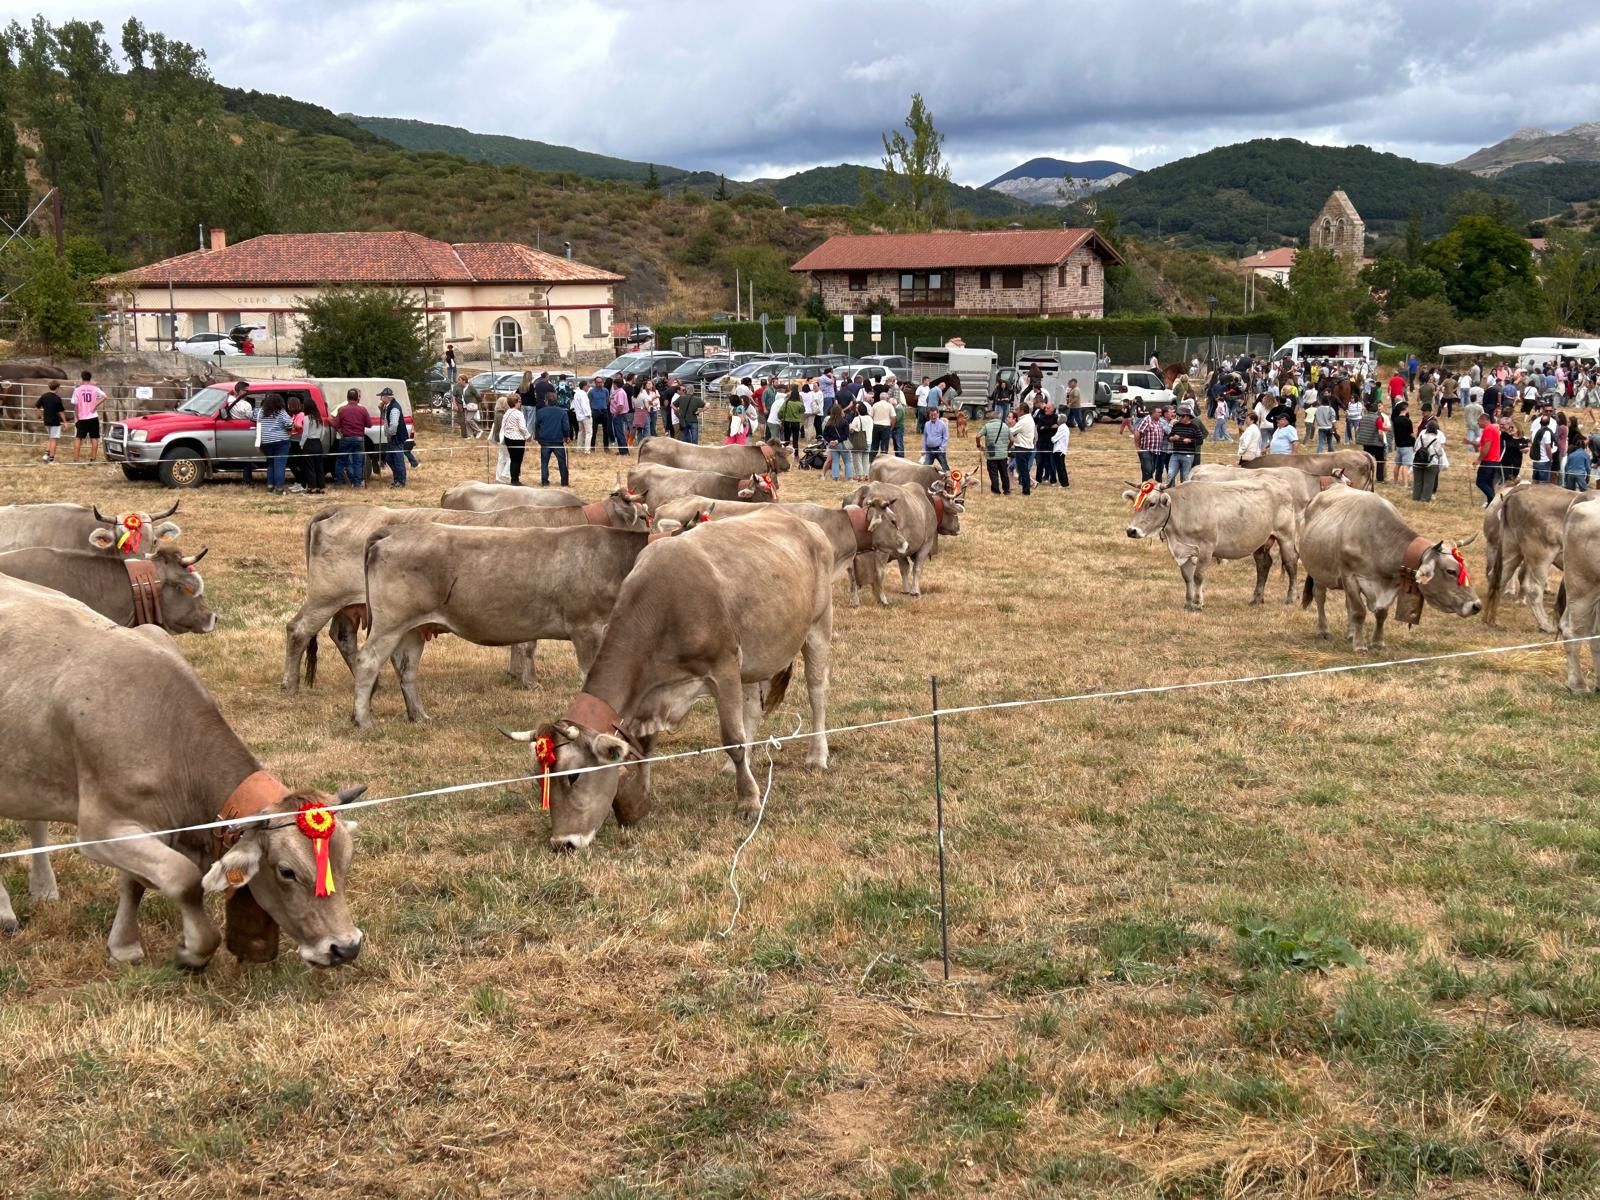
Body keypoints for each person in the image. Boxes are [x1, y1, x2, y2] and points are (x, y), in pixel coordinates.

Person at [257, 393, 294, 494]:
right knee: (280, 465)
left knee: (271, 464)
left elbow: (252, 417)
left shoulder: (261, 412)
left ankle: (270, 487)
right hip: (281, 442)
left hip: (266, 442)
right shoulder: (281, 412)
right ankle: (279, 489)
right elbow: (289, 423)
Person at [289, 396, 325, 494]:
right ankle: (321, 487)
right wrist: (319, 440)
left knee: (310, 467)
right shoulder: (319, 418)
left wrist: (301, 444)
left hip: (309, 443)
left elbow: (305, 433)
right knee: (319, 466)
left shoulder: (306, 418)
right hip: (318, 442)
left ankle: (312, 487)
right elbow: (323, 433)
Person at [333, 389, 369, 487]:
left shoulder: (342, 409)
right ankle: (357, 483)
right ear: (357, 398)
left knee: (341, 461)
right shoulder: (363, 409)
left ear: (347, 397)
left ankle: (338, 482)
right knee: (358, 462)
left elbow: (335, 423)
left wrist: (341, 429)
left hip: (346, 438)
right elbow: (369, 424)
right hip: (359, 439)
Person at [533, 389, 569, 486]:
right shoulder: (562, 412)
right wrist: (567, 436)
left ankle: (544, 481)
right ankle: (564, 482)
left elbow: (536, 425)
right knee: (562, 462)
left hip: (544, 441)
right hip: (557, 440)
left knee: (544, 462)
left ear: (546, 401)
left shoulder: (540, 412)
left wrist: (537, 437)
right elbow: (565, 426)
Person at [71, 370, 106, 463]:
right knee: (94, 438)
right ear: (90, 378)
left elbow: (76, 405)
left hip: (82, 417)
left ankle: (76, 459)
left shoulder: (77, 390)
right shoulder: (95, 388)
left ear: (82, 378)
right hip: (93, 416)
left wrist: (77, 417)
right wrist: (95, 405)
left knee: (78, 437)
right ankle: (93, 459)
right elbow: (105, 396)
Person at [976, 409, 1013, 495]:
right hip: (1003, 455)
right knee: (1004, 473)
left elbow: (977, 436)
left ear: (991, 418)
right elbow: (1012, 440)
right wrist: (1007, 447)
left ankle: (996, 490)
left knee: (993, 473)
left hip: (991, 455)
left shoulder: (987, 426)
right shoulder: (1005, 426)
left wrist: (979, 445)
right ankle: (1006, 490)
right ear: (999, 418)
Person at [1165, 406, 1205, 482]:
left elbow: (1200, 441)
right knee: (1170, 474)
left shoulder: (1194, 427)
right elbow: (1169, 437)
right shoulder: (1176, 426)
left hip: (1188, 455)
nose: (1179, 418)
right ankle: (1170, 490)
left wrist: (1190, 441)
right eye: (1179, 416)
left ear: (1186, 417)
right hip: (1175, 454)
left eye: (1181, 416)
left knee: (1185, 476)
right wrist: (1173, 438)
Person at [378, 387, 407, 488]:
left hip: (396, 437)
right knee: (390, 459)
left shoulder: (394, 407)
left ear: (386, 397)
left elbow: (394, 425)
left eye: (381, 397)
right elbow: (385, 419)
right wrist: (381, 409)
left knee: (398, 460)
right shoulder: (388, 406)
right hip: (393, 437)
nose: (380, 399)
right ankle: (397, 478)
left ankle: (401, 481)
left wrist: (390, 434)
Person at [1412, 415, 1445, 502]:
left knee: (1417, 481)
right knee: (1428, 482)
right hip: (1431, 462)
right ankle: (1424, 499)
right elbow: (1439, 453)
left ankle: (1416, 498)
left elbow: (1415, 448)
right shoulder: (1436, 439)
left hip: (1418, 461)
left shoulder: (1421, 436)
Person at [1355, 400, 1388, 484]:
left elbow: (1357, 429)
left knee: (1367, 461)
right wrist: (1382, 441)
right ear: (1377, 410)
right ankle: (1380, 479)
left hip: (1366, 444)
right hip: (1376, 444)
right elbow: (1380, 432)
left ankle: (1366, 477)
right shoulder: (1378, 419)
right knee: (1380, 461)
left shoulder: (1363, 418)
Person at [500, 394, 529, 485]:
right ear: (515, 403)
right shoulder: (518, 413)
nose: (520, 403)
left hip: (508, 437)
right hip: (517, 438)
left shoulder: (507, 412)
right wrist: (528, 436)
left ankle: (514, 478)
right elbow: (522, 427)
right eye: (519, 401)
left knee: (513, 459)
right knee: (517, 459)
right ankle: (515, 480)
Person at [1474, 413, 1502, 505]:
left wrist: (1479, 459)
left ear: (1483, 420)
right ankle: (1491, 504)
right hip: (1495, 461)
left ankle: (1494, 500)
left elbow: (1487, 446)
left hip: (1488, 461)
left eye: (1478, 421)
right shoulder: (1494, 429)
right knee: (1489, 483)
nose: (1478, 423)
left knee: (1480, 482)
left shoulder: (1488, 429)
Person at [1010, 403, 1037, 496]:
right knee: (1023, 470)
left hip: (1022, 448)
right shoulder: (1029, 419)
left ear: (1022, 411)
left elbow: (1011, 431)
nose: (1016, 411)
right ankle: (1026, 489)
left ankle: (1026, 491)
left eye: (1017, 410)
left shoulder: (1023, 421)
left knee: (1023, 471)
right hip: (1027, 448)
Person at [34, 381, 64, 463]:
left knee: (51, 438)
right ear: (57, 388)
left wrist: (40, 416)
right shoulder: (57, 398)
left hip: (46, 420)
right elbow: (61, 412)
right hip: (55, 421)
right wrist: (65, 422)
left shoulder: (44, 396)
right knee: (53, 439)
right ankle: (51, 460)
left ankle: (46, 455)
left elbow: (37, 407)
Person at [1530, 406, 1561, 483]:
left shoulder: (1553, 423)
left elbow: (1532, 440)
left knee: (1536, 480)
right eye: (1546, 411)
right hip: (1545, 458)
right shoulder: (1546, 432)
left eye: (1550, 411)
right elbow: (1548, 447)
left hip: (1537, 459)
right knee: (1544, 483)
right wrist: (1550, 459)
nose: (1548, 413)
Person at [825, 402, 854, 479]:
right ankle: (849, 477)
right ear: (840, 411)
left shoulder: (829, 422)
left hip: (833, 444)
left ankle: (835, 477)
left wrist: (830, 441)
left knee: (835, 461)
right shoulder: (844, 422)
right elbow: (846, 435)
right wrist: (838, 440)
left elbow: (825, 434)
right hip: (843, 443)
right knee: (847, 461)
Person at [1134, 408, 1164, 481]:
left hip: (1156, 450)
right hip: (1146, 450)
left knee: (1151, 470)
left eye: (1161, 412)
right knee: (1148, 469)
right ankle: (1145, 487)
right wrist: (1137, 447)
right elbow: (1138, 432)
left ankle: (1147, 486)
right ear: (1153, 413)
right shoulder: (1146, 420)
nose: (1160, 414)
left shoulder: (1160, 421)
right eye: (1159, 412)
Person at [1390, 400, 1414, 487]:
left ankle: (1395, 481)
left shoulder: (1395, 420)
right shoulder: (1408, 421)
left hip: (1398, 445)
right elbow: (1411, 434)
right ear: (1404, 409)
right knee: (1405, 465)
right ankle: (1405, 484)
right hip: (1407, 445)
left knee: (1397, 464)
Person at [847, 400, 872, 477]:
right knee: (866, 459)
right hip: (869, 440)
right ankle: (866, 474)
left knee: (857, 459)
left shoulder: (857, 419)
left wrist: (849, 425)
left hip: (859, 441)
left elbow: (851, 429)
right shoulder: (870, 418)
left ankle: (860, 475)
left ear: (858, 410)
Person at [869, 388, 894, 460]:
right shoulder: (889, 406)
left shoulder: (875, 405)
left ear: (880, 398)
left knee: (874, 445)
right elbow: (893, 417)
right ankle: (883, 460)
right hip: (886, 426)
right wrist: (892, 426)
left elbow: (870, 416)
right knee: (884, 446)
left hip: (876, 426)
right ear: (887, 398)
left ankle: (871, 460)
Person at [779, 385, 805, 455]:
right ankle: (796, 453)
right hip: (796, 423)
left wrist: (780, 418)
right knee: (795, 439)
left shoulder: (787, 402)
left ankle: (785, 453)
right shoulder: (799, 404)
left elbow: (780, 411)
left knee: (786, 439)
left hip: (787, 422)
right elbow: (803, 410)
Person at [609, 377, 631, 456]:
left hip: (619, 415)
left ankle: (625, 452)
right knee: (617, 433)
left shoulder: (620, 393)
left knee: (620, 433)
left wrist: (615, 414)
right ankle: (621, 450)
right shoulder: (616, 392)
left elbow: (620, 405)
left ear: (615, 384)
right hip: (617, 415)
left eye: (613, 384)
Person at [1050, 413, 1070, 487]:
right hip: (1060, 450)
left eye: (1058, 418)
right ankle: (1065, 483)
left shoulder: (1062, 427)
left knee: (1060, 468)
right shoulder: (1064, 427)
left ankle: (1064, 483)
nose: (1057, 420)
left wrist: (1052, 438)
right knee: (1061, 467)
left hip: (1059, 450)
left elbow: (1055, 438)